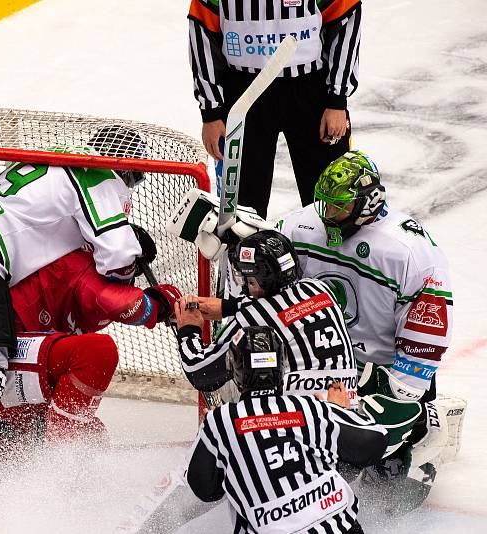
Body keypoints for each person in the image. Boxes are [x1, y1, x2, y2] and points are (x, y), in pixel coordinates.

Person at [0, 125, 153, 530]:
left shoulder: (63, 158)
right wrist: (144, 285)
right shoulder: (100, 175)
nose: (132, 185)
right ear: (127, 169)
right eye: (136, 176)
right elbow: (118, 256)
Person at [277, 150, 453, 514]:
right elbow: (272, 285)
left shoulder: (408, 249)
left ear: (368, 202)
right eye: (323, 203)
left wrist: (404, 389)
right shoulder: (299, 225)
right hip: (315, 360)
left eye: (337, 206)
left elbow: (429, 324)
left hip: (379, 373)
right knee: (293, 449)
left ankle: (420, 430)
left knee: (386, 487)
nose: (326, 214)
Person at [0, 245, 182, 447]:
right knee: (97, 354)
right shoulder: (92, 279)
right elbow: (128, 304)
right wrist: (166, 300)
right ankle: (54, 458)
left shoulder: (70, 243)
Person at [183, 325, 391, 534]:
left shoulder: (220, 420)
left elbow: (204, 490)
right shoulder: (308, 407)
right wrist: (335, 411)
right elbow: (377, 440)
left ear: (235, 369)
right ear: (281, 366)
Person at [187, 0, 362, 217]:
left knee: (331, 196)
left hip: (311, 94)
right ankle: (246, 251)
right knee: (242, 208)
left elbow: (345, 18)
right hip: (245, 96)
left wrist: (337, 100)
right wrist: (211, 112)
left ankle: (331, 249)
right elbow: (201, 32)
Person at [176, 229, 359, 406]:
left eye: (250, 281)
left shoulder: (253, 318)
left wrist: (189, 329)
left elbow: (200, 373)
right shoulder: (318, 288)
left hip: (305, 424)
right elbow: (283, 310)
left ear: (264, 280)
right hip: (346, 407)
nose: (246, 288)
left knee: (240, 366)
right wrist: (226, 307)